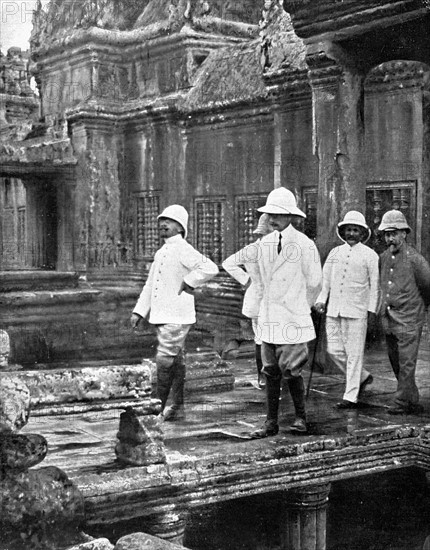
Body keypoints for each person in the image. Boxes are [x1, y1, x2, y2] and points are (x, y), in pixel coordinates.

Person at [131, 204, 218, 421]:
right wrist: (139, 312)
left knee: (164, 359)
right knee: (176, 361)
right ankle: (177, 405)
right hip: (164, 315)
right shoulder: (162, 252)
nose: (163, 224)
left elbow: (210, 268)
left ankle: (156, 409)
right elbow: (150, 285)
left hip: (177, 315)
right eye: (161, 221)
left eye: (169, 221)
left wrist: (188, 282)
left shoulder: (183, 249)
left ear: (181, 227)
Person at [251, 187, 322, 437]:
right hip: (270, 317)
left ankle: (300, 418)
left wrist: (299, 306)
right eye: (270, 213)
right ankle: (271, 421)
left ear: (291, 216)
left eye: (278, 214)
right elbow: (260, 282)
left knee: (292, 370)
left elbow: (315, 282)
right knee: (269, 370)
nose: (273, 218)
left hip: (293, 317)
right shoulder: (264, 244)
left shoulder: (304, 244)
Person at [314, 211, 380, 409]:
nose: (351, 233)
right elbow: (326, 281)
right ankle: (363, 377)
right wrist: (321, 300)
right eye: (348, 230)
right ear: (342, 232)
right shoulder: (335, 253)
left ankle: (350, 396)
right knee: (333, 350)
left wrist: (371, 310)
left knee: (354, 354)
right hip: (334, 310)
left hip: (357, 311)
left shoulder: (370, 255)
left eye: (355, 230)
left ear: (362, 233)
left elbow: (375, 285)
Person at [378, 210, 430, 415]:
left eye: (394, 233)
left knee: (407, 362)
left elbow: (428, 287)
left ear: (404, 233)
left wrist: (417, 310)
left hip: (409, 319)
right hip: (389, 319)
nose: (390, 238)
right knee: (396, 360)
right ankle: (411, 399)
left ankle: (401, 402)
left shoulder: (415, 259)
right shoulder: (383, 257)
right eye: (386, 234)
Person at [222, 214, 272, 389]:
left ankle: (262, 377)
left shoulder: (251, 249)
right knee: (269, 338)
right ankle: (267, 377)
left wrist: (246, 279)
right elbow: (227, 263)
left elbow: (228, 263)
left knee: (260, 338)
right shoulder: (272, 250)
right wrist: (248, 279)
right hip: (266, 298)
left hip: (256, 297)